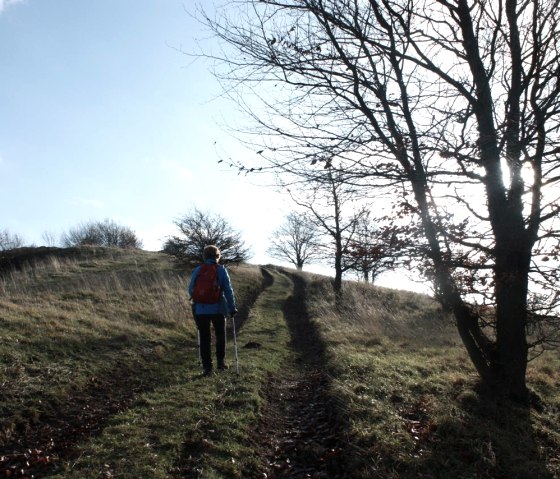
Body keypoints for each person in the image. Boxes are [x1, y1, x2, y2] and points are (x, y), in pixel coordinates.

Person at [189, 245, 238, 376]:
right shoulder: (221, 270)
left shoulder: (198, 270)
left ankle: (207, 368)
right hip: (218, 309)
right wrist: (232, 308)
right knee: (220, 336)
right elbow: (228, 291)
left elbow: (191, 289)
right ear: (217, 256)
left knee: (205, 338)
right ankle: (221, 363)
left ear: (205, 256)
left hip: (200, 310)